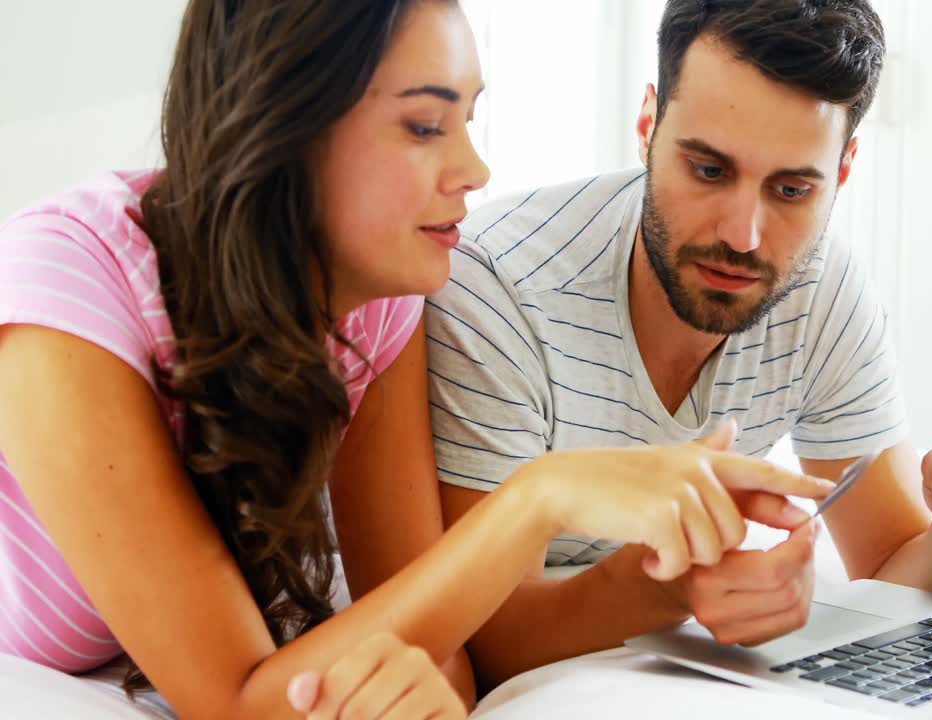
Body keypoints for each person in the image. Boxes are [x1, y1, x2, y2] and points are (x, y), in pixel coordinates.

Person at [0, 2, 833, 718]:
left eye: (468, 120)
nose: (474, 169)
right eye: (426, 126)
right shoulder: (67, 290)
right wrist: (540, 497)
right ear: (286, 125)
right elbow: (239, 703)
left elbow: (433, 643)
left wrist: (433, 691)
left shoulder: (380, 296)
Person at [426, 0, 932, 690]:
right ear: (647, 125)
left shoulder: (819, 284)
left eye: (791, 189)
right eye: (709, 171)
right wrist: (670, 588)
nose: (743, 236)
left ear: (842, 172)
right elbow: (479, 638)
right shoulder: (497, 287)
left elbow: (892, 570)